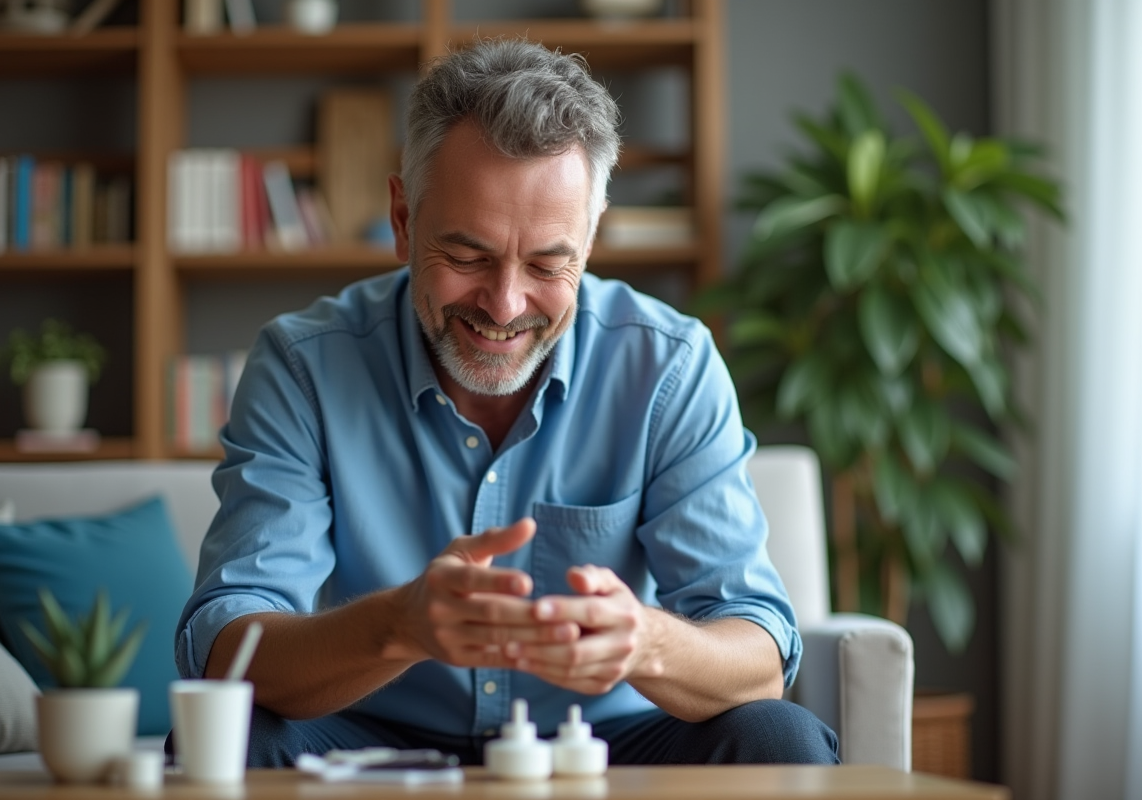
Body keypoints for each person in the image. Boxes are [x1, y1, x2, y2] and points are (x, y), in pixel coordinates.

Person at [174, 38, 838, 767]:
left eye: (549, 265)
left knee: (780, 738)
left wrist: (645, 642)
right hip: (370, 739)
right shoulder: (303, 367)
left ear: (592, 237)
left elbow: (760, 656)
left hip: (608, 742)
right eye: (468, 257)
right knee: (228, 739)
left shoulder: (669, 367)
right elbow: (227, 647)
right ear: (403, 219)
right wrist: (399, 626)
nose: (505, 304)